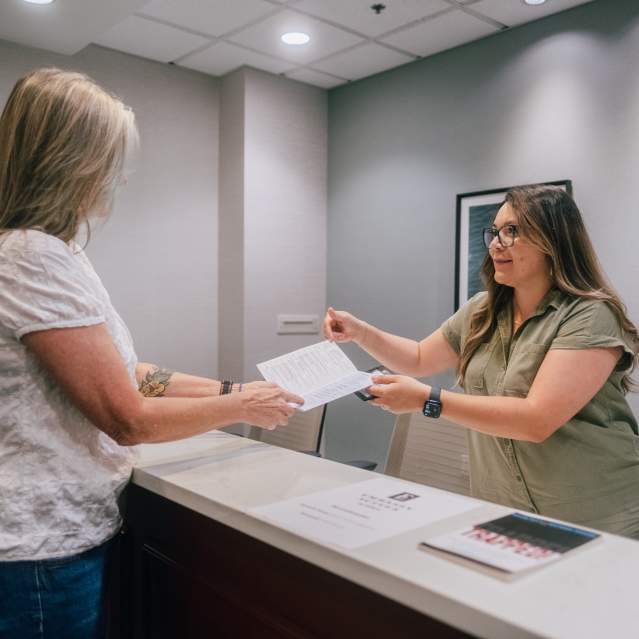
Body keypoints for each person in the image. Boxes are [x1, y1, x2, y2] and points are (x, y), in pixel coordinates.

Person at [0, 68, 302, 639]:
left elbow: (127, 373)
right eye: (110, 159)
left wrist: (230, 389)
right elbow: (126, 417)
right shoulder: (30, 256)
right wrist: (242, 410)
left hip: (57, 542)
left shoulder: (59, 253)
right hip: (37, 552)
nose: (116, 177)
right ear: (72, 160)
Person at [324, 184, 639, 538]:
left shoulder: (590, 315)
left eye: (512, 231)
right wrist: (360, 332)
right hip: (504, 505)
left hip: (596, 511)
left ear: (553, 240)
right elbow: (417, 358)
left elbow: (537, 419)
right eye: (495, 231)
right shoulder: (482, 309)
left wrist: (427, 400)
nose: (495, 243)